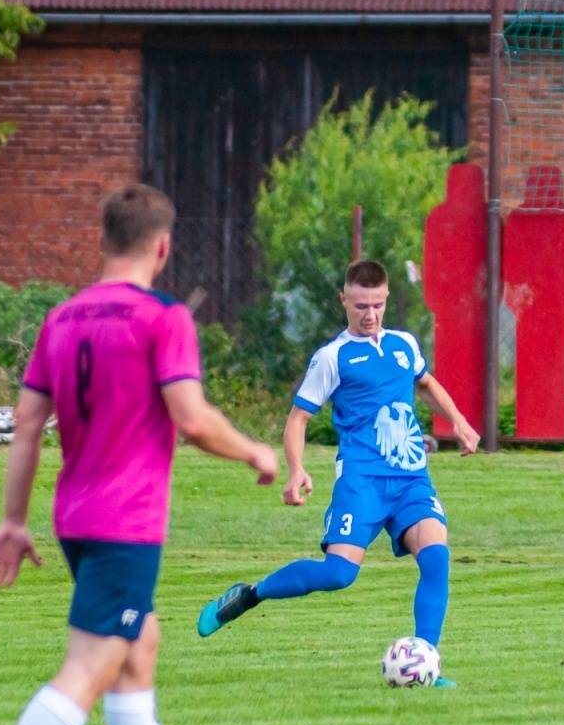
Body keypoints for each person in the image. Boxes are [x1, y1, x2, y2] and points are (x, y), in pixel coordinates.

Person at [0, 184, 278, 725]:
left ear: (103, 242)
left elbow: (25, 424)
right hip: (125, 521)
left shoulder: (61, 319)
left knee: (140, 645)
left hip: (74, 515)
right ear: (162, 248)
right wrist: (255, 451)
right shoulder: (162, 318)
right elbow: (191, 419)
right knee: (92, 663)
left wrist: (14, 521)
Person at [194, 260, 481, 684]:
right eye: (361, 305)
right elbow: (297, 420)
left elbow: (424, 384)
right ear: (344, 300)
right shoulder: (333, 357)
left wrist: (456, 419)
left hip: (410, 479)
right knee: (338, 574)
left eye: (378, 305)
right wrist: (296, 471)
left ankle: (427, 665)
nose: (370, 315)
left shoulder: (404, 344)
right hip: (361, 481)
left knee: (436, 558)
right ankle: (250, 595)